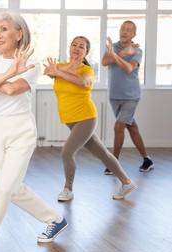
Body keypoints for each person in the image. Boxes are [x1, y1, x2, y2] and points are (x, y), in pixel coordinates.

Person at [0, 12, 67, 252]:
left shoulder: (32, 64)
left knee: (3, 187)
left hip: (21, 130)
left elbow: (9, 90)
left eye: (4, 29)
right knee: (13, 188)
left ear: (19, 34)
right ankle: (55, 219)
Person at [43, 36, 137, 202]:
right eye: (74, 45)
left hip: (85, 117)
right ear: (69, 47)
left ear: (86, 52)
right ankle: (126, 182)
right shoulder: (60, 66)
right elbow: (49, 72)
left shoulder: (87, 70)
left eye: (81, 47)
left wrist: (60, 72)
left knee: (67, 152)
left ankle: (68, 189)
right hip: (71, 119)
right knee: (103, 154)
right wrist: (62, 70)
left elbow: (83, 83)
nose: (77, 48)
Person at [102, 20, 154, 175]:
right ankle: (147, 159)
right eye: (122, 29)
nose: (124, 32)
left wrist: (116, 56)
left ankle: (113, 164)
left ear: (134, 34)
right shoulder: (113, 47)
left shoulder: (137, 51)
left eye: (129, 30)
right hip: (114, 95)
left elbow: (129, 68)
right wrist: (122, 53)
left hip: (131, 96)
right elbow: (105, 62)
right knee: (131, 126)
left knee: (119, 126)